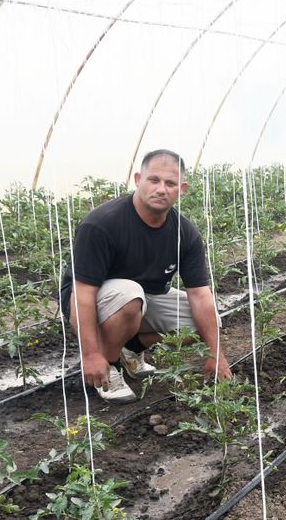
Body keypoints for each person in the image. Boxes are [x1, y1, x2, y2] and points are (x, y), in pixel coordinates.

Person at [59, 149, 231, 403]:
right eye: (154, 180)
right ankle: (109, 365)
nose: (161, 189)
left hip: (143, 298)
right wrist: (90, 353)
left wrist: (216, 353)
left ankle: (132, 349)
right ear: (138, 180)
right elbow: (82, 293)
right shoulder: (102, 224)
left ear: (181, 189)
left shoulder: (185, 232)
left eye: (170, 183)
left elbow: (200, 294)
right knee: (130, 296)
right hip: (93, 300)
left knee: (206, 321)